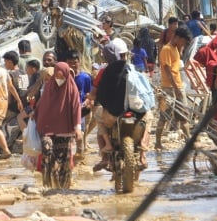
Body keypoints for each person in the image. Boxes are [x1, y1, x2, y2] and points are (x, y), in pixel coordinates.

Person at [91, 38, 148, 170]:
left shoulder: (104, 71)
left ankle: (105, 156)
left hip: (111, 113)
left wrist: (91, 97)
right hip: (135, 112)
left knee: (98, 118)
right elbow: (144, 91)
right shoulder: (134, 70)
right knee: (148, 120)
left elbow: (95, 93)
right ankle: (143, 155)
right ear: (125, 55)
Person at [32, 61, 82, 176]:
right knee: (47, 151)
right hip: (47, 129)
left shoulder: (72, 89)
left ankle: (63, 186)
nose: (59, 79)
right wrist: (35, 113)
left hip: (65, 130)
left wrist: (77, 127)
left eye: (61, 76)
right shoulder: (50, 86)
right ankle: (47, 179)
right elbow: (42, 103)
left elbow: (76, 108)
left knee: (64, 159)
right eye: (57, 76)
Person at [155, 26, 192, 149]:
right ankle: (158, 143)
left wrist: (178, 87)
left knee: (184, 115)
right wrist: (175, 88)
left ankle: (188, 142)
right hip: (169, 88)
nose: (184, 44)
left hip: (178, 86)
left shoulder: (176, 48)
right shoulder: (166, 49)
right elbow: (167, 70)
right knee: (164, 116)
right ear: (178, 38)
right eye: (183, 41)